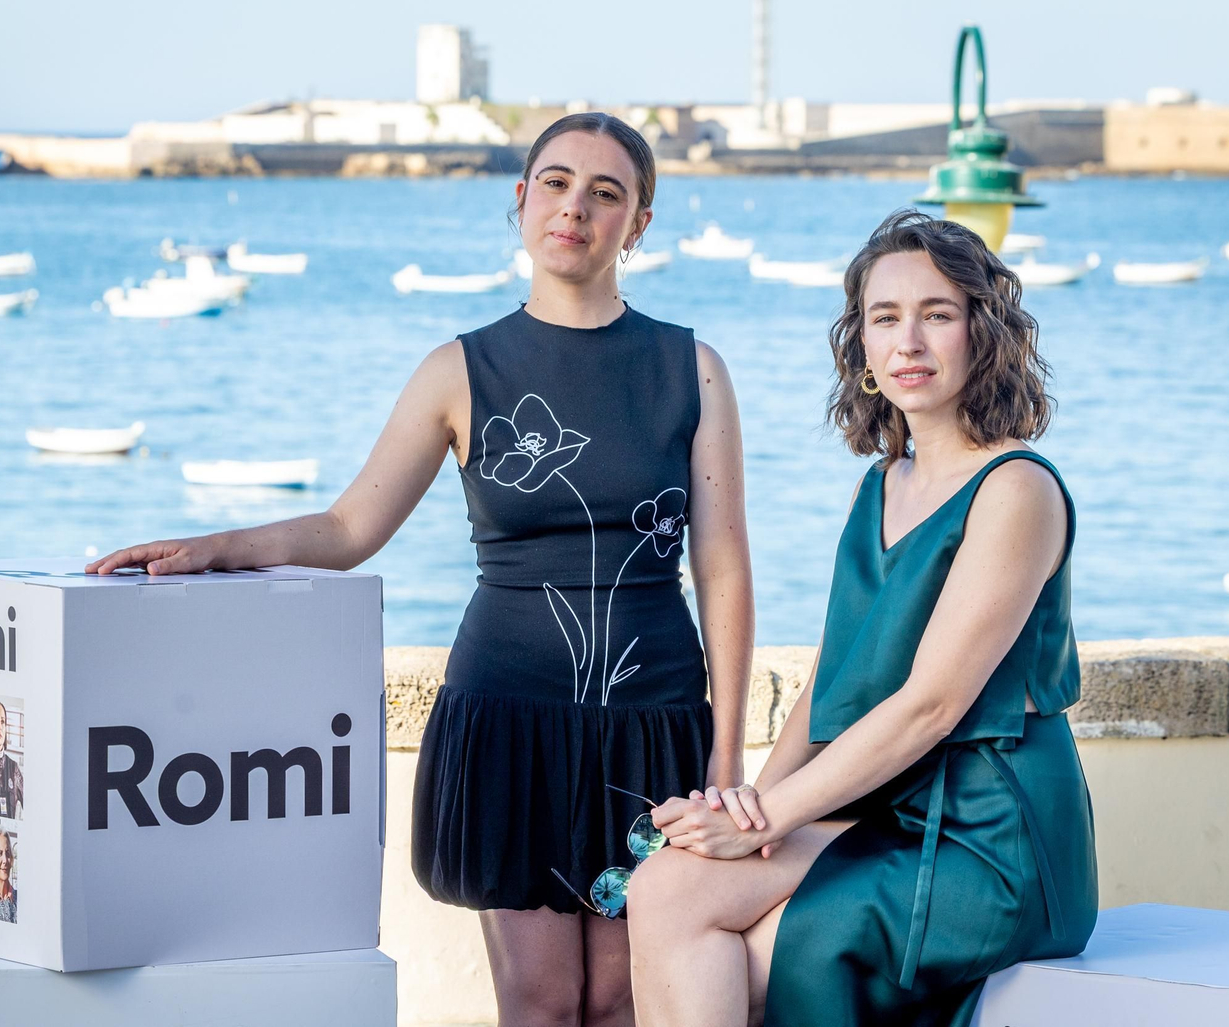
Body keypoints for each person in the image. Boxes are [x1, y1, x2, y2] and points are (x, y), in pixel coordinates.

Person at [87, 112, 754, 1027]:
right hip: (510, 717)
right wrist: (215, 546)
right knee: (542, 997)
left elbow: (722, 565)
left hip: (656, 723)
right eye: (555, 183)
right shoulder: (459, 369)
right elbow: (351, 524)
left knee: (624, 997)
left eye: (607, 193)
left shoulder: (694, 368)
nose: (575, 208)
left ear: (637, 224)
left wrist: (724, 752)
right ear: (519, 202)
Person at [627, 210, 1098, 1027]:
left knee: (750, 949)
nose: (908, 340)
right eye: (885, 318)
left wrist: (770, 819)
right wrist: (742, 813)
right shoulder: (879, 486)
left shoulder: (1016, 488)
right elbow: (830, 682)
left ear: (982, 333)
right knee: (669, 879)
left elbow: (932, 703)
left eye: (937, 314)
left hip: (992, 841)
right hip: (888, 813)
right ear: (864, 347)